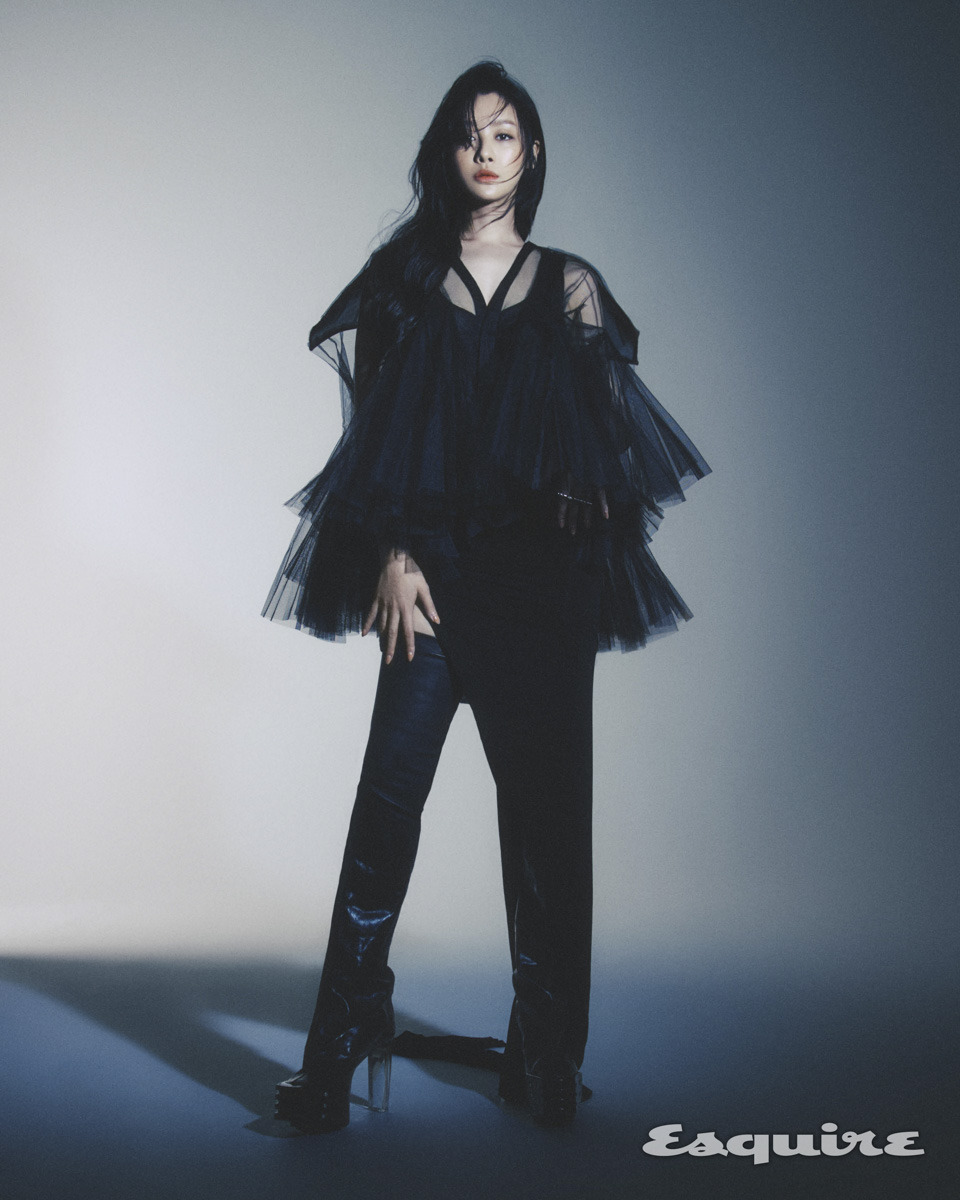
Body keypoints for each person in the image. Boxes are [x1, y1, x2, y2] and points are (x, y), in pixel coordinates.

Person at [262, 60, 710, 1131]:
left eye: (504, 134)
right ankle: (339, 1044)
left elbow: (608, 449)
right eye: (469, 134)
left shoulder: (570, 287)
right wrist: (391, 554)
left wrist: (577, 496)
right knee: (385, 811)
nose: (486, 151)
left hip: (543, 590)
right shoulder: (402, 282)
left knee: (549, 827)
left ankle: (546, 1055)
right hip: (432, 578)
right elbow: (370, 438)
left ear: (532, 152)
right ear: (446, 152)